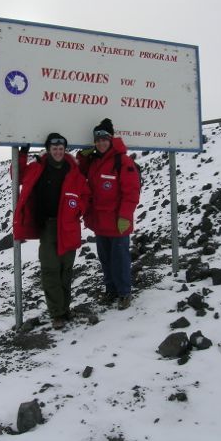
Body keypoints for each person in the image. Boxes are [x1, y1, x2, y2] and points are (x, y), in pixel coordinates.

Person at [13, 133, 90, 330]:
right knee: (50, 270)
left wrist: (78, 208)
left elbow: (85, 194)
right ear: (49, 149)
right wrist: (22, 155)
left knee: (66, 270)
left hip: (69, 226)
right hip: (47, 226)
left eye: (61, 148)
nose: (58, 151)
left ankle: (65, 309)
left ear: (65, 150)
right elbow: (17, 176)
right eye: (54, 148)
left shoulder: (74, 171)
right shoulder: (38, 167)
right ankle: (57, 313)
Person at [77, 118, 141, 310]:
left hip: (117, 222)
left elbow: (131, 192)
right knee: (105, 259)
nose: (101, 142)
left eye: (104, 138)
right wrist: (83, 156)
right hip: (100, 222)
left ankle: (124, 293)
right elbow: (79, 174)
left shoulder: (123, 161)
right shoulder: (95, 161)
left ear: (111, 139)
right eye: (98, 140)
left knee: (120, 259)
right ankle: (110, 290)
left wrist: (124, 216)